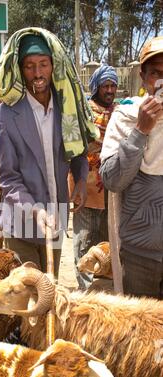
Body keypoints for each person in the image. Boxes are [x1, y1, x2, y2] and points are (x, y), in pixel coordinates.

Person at [0, 28, 97, 276]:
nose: (38, 73)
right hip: (22, 223)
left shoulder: (66, 107)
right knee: (30, 297)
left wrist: (81, 180)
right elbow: (8, 179)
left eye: (43, 64)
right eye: (29, 66)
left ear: (54, 66)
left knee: (52, 287)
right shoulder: (4, 116)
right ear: (19, 69)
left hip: (56, 218)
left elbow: (77, 149)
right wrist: (35, 210)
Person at [100, 36, 163, 299]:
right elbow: (112, 180)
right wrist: (141, 130)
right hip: (141, 254)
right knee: (142, 335)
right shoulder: (125, 116)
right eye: (156, 74)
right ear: (143, 77)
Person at [71, 65, 118, 289]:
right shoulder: (85, 112)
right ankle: (85, 290)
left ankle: (102, 288)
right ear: (96, 87)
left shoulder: (120, 111)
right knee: (84, 240)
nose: (109, 90)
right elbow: (78, 145)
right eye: (105, 86)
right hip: (87, 188)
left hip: (113, 188)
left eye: (112, 86)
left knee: (106, 241)